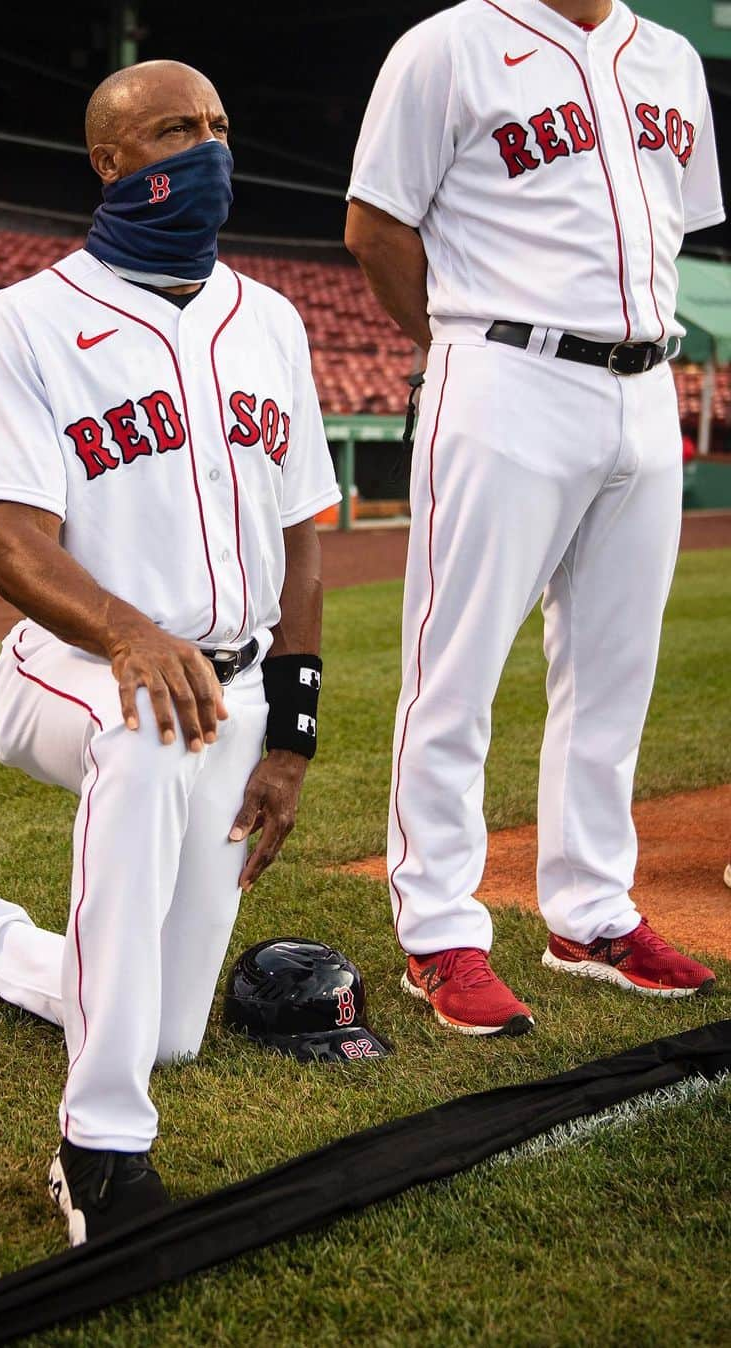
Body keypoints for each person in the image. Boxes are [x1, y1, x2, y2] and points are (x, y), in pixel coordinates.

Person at [0, 60, 339, 1242]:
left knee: (166, 1024)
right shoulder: (31, 320)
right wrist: (129, 634)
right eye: (176, 129)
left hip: (234, 684)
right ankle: (99, 1151)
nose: (209, 148)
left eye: (222, 126)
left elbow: (304, 540)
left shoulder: (272, 321)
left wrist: (291, 731)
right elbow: (13, 546)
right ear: (111, 162)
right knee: (146, 724)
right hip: (72, 665)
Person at [345, 0, 720, 1035]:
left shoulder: (672, 57)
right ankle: (438, 928)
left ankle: (592, 914)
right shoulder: (449, 45)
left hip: (645, 387)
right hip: (507, 370)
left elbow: (671, 221)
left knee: (613, 672)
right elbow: (374, 227)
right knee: (456, 669)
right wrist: (467, 347)